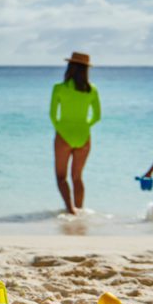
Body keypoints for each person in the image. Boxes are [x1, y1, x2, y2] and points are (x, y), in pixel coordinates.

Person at [49, 52, 101, 215]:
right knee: (77, 177)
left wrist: (60, 127)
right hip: (84, 135)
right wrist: (85, 126)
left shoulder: (59, 88)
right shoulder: (92, 89)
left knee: (61, 177)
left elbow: (52, 115)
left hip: (64, 133)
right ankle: (79, 210)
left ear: (70, 67)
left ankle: (70, 209)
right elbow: (97, 116)